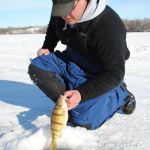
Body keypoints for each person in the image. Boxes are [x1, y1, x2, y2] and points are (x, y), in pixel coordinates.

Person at [28, 0, 136, 130]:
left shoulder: (108, 25)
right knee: (38, 67)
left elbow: (114, 73)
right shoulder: (62, 13)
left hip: (100, 71)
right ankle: (69, 103)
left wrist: (82, 94)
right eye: (60, 10)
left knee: (83, 121)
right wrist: (48, 47)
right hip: (72, 57)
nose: (65, 15)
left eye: (69, 8)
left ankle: (120, 94)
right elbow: (54, 26)